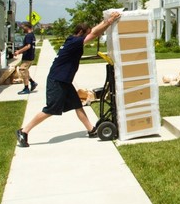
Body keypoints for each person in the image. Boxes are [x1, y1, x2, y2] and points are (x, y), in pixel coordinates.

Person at [15, 12, 121, 147]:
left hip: (64, 80)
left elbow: (93, 31)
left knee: (77, 104)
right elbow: (94, 33)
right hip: (57, 81)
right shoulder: (75, 42)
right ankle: (23, 131)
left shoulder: (72, 39)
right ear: (82, 32)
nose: (91, 35)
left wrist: (106, 20)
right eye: (86, 33)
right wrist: (109, 21)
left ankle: (91, 130)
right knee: (51, 109)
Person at [14, 22, 38, 94]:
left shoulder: (28, 36)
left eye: (23, 27)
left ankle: (26, 88)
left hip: (27, 57)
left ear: (27, 27)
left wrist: (18, 52)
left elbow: (28, 46)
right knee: (25, 71)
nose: (22, 29)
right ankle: (33, 83)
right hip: (30, 56)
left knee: (22, 70)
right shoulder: (32, 35)